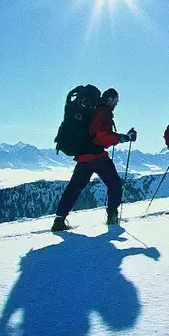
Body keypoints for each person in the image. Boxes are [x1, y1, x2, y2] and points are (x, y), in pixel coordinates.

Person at [52, 88, 137, 231]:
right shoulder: (103, 112)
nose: (117, 104)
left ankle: (59, 220)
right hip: (97, 156)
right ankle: (112, 217)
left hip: (83, 156)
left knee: (74, 187)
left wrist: (118, 138)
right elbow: (101, 136)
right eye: (116, 100)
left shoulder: (92, 110)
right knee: (114, 183)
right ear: (110, 99)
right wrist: (123, 138)